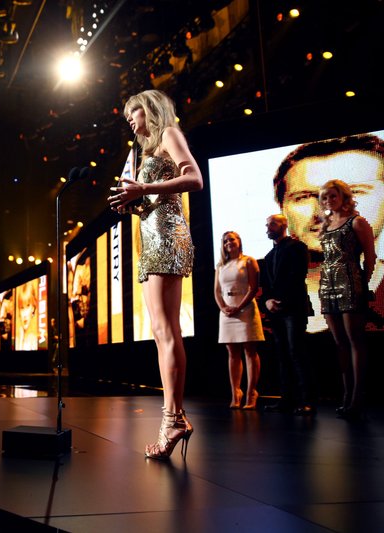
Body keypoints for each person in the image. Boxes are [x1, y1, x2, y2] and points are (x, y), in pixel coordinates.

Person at [107, 89, 202, 459]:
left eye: (135, 112)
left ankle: (173, 419)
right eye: (127, 114)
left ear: (151, 108)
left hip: (167, 236)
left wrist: (144, 188)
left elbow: (194, 179)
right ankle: (173, 417)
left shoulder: (170, 135)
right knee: (161, 333)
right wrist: (133, 203)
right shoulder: (146, 151)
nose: (130, 118)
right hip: (151, 239)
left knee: (167, 332)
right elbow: (153, 200)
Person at [272, 133, 384, 331]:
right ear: (282, 208)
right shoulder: (250, 293)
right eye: (305, 196)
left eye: (353, 192)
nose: (326, 212)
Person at [317, 180, 377, 420]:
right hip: (327, 285)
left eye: (332, 196)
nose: (328, 201)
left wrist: (366, 284)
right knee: (339, 342)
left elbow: (370, 257)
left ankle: (357, 397)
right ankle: (345, 394)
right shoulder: (326, 224)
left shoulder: (358, 222)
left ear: (343, 196)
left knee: (355, 340)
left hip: (350, 282)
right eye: (324, 198)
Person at [261, 214, 317, 415]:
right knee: (282, 354)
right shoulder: (268, 256)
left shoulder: (297, 247)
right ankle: (286, 399)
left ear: (284, 226)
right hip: (276, 312)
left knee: (296, 352)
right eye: (267, 225)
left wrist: (281, 300)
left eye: (272, 224)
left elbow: (297, 275)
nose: (268, 227)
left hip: (293, 308)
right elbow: (266, 285)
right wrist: (267, 301)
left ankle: (307, 400)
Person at [214, 231, 264, 410]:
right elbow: (217, 291)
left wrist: (239, 307)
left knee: (250, 350)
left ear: (239, 241)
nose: (229, 243)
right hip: (227, 312)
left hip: (245, 308)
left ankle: (252, 392)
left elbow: (254, 288)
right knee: (232, 352)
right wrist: (224, 308)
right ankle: (236, 393)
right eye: (225, 241)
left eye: (232, 239)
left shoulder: (249, 261)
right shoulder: (220, 265)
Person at [15, 280, 39, 351]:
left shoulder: (36, 341)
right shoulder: (16, 341)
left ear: (33, 308)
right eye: (22, 308)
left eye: (28, 306)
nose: (25, 314)